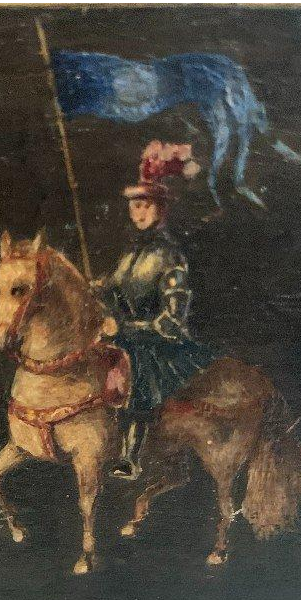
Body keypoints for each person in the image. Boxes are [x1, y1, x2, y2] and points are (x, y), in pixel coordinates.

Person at [96, 141, 216, 478]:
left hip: (157, 343)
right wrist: (96, 292)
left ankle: (129, 456)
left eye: (145, 206)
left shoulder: (171, 256)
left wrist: (125, 329)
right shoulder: (127, 256)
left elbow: (172, 321)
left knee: (138, 366)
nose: (138, 213)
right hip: (124, 336)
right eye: (134, 207)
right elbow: (111, 291)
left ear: (161, 210)